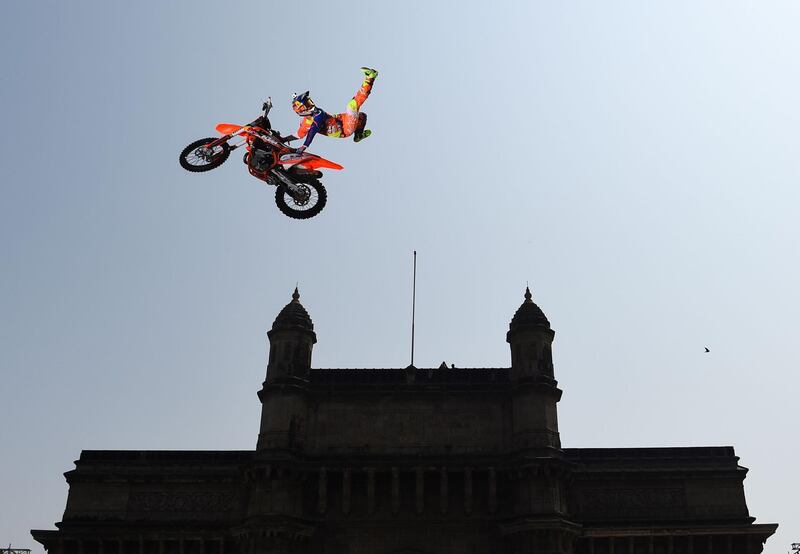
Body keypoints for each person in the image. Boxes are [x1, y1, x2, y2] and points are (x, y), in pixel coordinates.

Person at [282, 67, 378, 153]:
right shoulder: (307, 122)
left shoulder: (318, 113)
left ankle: (358, 135)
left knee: (361, 115)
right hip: (345, 129)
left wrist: (304, 146)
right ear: (301, 110)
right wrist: (283, 139)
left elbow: (312, 130)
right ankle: (370, 78)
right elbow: (300, 134)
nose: (311, 105)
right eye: (307, 104)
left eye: (309, 102)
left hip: (342, 121)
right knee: (351, 106)